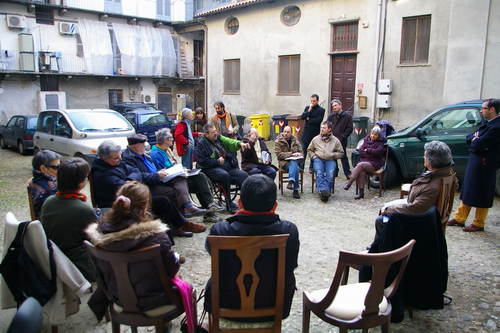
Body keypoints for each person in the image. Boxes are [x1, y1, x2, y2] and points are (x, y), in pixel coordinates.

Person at [86, 181, 192, 322]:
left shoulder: (99, 233)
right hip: (155, 298)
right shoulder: (155, 236)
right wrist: (175, 258)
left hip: (116, 296)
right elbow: (171, 270)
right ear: (145, 206)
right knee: (188, 289)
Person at [203, 174, 300, 322]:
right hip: (274, 306)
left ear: (240, 203)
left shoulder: (220, 231)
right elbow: (291, 266)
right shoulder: (289, 231)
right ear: (275, 205)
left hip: (225, 304)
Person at [92, 140, 206, 237]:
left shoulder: (116, 163)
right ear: (105, 159)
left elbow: (135, 171)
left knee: (164, 200)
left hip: (132, 198)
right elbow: (125, 189)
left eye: (120, 156)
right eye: (116, 158)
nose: (120, 159)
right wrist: (133, 181)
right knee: (162, 201)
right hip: (120, 204)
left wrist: (130, 180)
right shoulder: (102, 173)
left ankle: (177, 227)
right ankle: (177, 229)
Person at [374, 141, 456, 238]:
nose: (424, 157)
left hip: (421, 220)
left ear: (432, 161)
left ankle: (383, 248)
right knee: (385, 207)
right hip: (423, 210)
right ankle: (379, 244)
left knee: (381, 220)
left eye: (425, 156)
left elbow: (414, 209)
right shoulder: (445, 172)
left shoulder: (433, 186)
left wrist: (388, 210)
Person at [122, 134, 207, 218]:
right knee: (174, 193)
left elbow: (151, 170)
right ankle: (179, 222)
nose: (146, 146)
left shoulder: (143, 155)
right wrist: (157, 175)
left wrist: (162, 172)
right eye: (144, 144)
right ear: (137, 147)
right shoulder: (129, 158)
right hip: (147, 186)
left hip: (158, 179)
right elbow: (139, 176)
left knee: (183, 178)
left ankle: (188, 207)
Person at [40, 157, 97, 282]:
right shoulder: (82, 209)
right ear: (79, 183)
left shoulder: (50, 201)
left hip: (54, 259)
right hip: (78, 265)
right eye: (85, 177)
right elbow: (98, 239)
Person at [150, 128, 224, 224]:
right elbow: (163, 173)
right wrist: (179, 172)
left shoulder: (166, 150)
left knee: (200, 176)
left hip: (177, 177)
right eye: (171, 138)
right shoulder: (156, 154)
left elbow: (174, 164)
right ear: (165, 140)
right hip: (170, 182)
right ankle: (207, 209)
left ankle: (209, 207)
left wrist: (183, 169)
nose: (173, 139)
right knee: (199, 183)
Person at [447, 98, 500, 232]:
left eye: (484, 108)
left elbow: (478, 144)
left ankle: (478, 222)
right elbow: (470, 138)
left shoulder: (497, 126)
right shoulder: (488, 123)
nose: (481, 111)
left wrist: (477, 140)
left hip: (485, 164)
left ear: (492, 109)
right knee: (468, 189)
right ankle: (460, 218)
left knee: (482, 192)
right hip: (476, 161)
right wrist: (476, 139)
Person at [196, 123, 250, 213]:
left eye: (215, 131)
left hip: (225, 166)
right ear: (206, 134)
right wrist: (216, 161)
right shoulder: (201, 144)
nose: (215, 133)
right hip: (210, 169)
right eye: (213, 132)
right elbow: (202, 161)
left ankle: (246, 201)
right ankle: (229, 202)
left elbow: (229, 141)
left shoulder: (218, 138)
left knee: (243, 175)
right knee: (224, 175)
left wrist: (240, 144)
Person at [343, 126, 386, 199]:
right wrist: (371, 153)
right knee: (361, 171)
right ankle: (361, 192)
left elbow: (378, 152)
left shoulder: (380, 142)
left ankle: (350, 182)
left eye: (375, 134)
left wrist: (368, 150)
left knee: (361, 165)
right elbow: (361, 151)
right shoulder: (366, 140)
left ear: (378, 136)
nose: (373, 135)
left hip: (374, 163)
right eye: (372, 133)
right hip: (364, 162)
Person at [307, 121, 344, 202]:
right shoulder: (316, 139)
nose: (322, 129)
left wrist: (333, 155)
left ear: (329, 129)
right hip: (318, 158)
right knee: (319, 173)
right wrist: (314, 156)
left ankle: (324, 192)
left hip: (330, 159)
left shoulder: (335, 140)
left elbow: (341, 153)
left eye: (324, 128)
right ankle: (324, 192)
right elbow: (309, 150)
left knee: (330, 174)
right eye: (321, 127)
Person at [28, 150, 60, 219]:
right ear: (43, 168)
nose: (59, 169)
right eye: (56, 167)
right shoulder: (50, 188)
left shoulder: (35, 180)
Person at [274, 125, 303, 199]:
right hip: (284, 163)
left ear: (291, 133)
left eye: (288, 132)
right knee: (295, 167)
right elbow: (279, 155)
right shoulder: (278, 141)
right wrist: (291, 154)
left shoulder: (295, 141)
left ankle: (291, 181)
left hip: (295, 161)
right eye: (284, 131)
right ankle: (295, 190)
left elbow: (301, 152)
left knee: (294, 163)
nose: (286, 133)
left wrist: (298, 154)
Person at [327, 99, 353, 179]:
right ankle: (335, 171)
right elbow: (327, 126)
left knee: (343, 156)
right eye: (333, 106)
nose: (334, 107)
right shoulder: (331, 116)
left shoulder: (347, 116)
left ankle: (347, 172)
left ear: (340, 105)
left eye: (335, 105)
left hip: (342, 140)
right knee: (333, 156)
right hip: (332, 139)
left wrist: (343, 136)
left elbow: (349, 128)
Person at [300, 94, 325, 173]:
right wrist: (309, 111)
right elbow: (302, 117)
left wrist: (309, 119)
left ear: (317, 101)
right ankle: (301, 167)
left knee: (313, 152)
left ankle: (312, 168)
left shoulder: (321, 110)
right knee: (303, 151)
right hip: (306, 133)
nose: (312, 102)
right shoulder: (307, 108)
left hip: (314, 133)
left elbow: (318, 121)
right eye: (311, 101)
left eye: (314, 101)